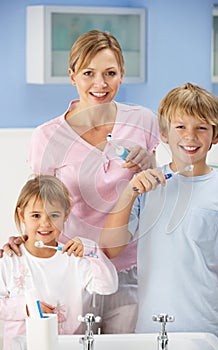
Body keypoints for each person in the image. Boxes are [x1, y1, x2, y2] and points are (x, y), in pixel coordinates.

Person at [2, 30, 160, 333]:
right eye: (89, 73)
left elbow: (154, 190)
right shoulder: (47, 137)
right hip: (72, 271)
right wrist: (22, 239)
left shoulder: (142, 121)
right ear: (72, 75)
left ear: (122, 75)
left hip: (129, 270)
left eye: (110, 73)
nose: (100, 84)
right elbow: (42, 201)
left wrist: (148, 162)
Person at [100, 82, 218, 348]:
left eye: (201, 128)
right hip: (151, 331)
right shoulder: (146, 187)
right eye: (180, 127)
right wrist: (130, 192)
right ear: (163, 133)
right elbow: (111, 249)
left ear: (215, 136)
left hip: (207, 331)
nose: (190, 136)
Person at [0, 175, 118, 350]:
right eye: (36, 215)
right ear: (21, 215)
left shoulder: (74, 259)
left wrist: (92, 251)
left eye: (54, 215)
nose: (45, 223)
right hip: (22, 345)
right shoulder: (9, 259)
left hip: (66, 345)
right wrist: (27, 306)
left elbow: (108, 286)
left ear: (66, 215)